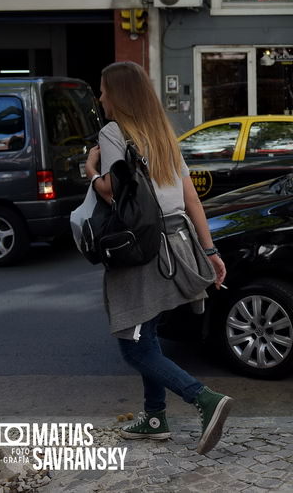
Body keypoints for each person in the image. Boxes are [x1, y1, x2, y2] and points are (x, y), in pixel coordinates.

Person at [84, 61, 234, 456]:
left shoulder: (113, 133)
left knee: (133, 344)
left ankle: (203, 399)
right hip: (176, 241)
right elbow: (190, 197)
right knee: (145, 334)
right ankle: (154, 418)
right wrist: (210, 250)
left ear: (119, 94)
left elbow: (114, 193)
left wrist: (90, 170)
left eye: (103, 90)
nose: (101, 98)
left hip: (142, 248)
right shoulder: (162, 133)